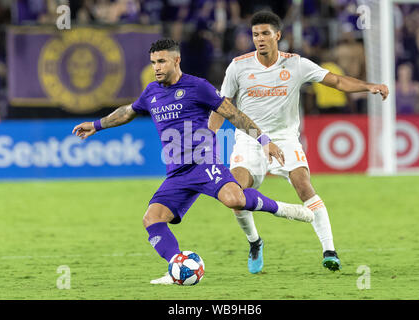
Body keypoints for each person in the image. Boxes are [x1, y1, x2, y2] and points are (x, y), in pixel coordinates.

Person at [72, 38, 314, 284]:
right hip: (177, 174)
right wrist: (95, 125)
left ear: (176, 60)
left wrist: (264, 140)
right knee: (152, 219)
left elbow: (234, 115)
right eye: (153, 62)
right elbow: (128, 112)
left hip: (204, 163)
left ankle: (284, 210)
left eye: (162, 61)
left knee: (234, 199)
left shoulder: (198, 87)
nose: (156, 67)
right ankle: (177, 267)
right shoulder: (151, 92)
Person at [209, 11, 389, 274]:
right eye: (255, 34)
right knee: (236, 194)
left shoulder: (296, 64)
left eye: (265, 34)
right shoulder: (238, 66)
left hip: (284, 137)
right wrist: (210, 135)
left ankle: (329, 250)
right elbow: (222, 106)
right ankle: (255, 242)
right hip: (248, 139)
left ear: (277, 36)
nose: (259, 39)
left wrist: (369, 86)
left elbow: (336, 81)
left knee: (304, 185)